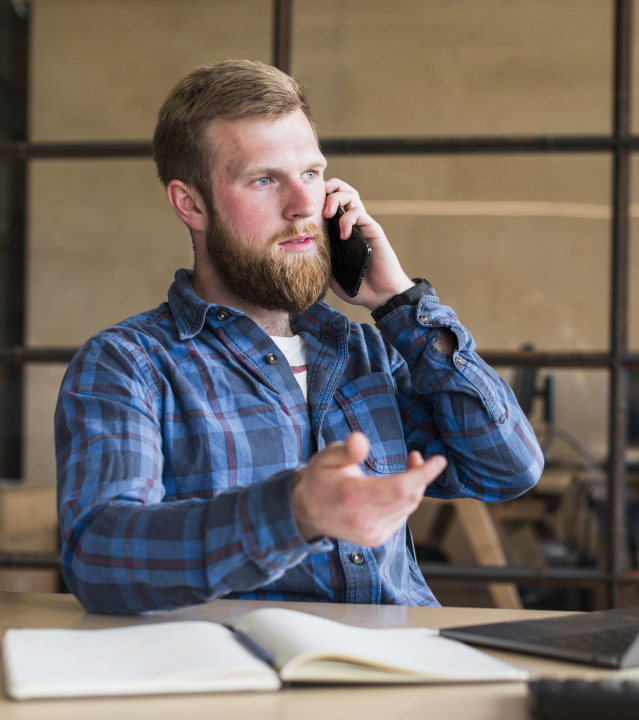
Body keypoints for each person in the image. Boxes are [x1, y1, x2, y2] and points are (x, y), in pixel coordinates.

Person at [54, 60, 543, 614]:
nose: (303, 205)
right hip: (241, 681)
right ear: (190, 204)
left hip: (396, 677)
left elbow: (508, 469)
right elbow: (97, 556)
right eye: (264, 180)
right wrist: (294, 514)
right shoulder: (129, 364)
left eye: (311, 174)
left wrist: (399, 303)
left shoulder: (368, 352)